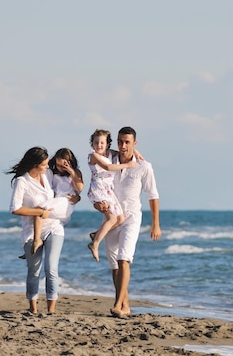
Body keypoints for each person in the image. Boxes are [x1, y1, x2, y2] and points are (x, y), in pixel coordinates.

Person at [93, 126, 161, 318]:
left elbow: (153, 195)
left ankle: (116, 304)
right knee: (114, 265)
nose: (123, 146)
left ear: (134, 143)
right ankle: (125, 305)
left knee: (124, 259)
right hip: (112, 218)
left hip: (132, 218)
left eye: (127, 142)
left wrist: (155, 223)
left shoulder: (144, 167)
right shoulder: (108, 159)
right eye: (121, 141)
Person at [7, 147, 78, 315]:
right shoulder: (21, 182)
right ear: (35, 164)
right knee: (34, 270)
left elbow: (64, 189)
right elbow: (14, 208)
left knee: (51, 268)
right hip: (32, 230)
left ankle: (51, 310)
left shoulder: (47, 176)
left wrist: (77, 197)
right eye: (45, 164)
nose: (48, 167)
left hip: (53, 226)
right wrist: (38, 212)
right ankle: (33, 309)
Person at [19, 148, 83, 259]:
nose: (60, 168)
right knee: (40, 215)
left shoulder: (75, 173)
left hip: (66, 202)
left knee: (39, 210)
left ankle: (37, 241)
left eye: (63, 165)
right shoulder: (53, 173)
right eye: (58, 165)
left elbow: (80, 187)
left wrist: (71, 171)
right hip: (56, 202)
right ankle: (30, 246)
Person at [86, 129, 138, 262]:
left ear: (107, 144)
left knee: (120, 219)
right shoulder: (93, 156)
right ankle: (95, 243)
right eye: (96, 143)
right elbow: (108, 167)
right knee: (111, 218)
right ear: (92, 144)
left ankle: (96, 235)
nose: (99, 145)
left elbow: (124, 151)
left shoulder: (110, 153)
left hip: (109, 191)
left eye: (102, 143)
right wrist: (128, 165)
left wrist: (136, 152)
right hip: (99, 190)